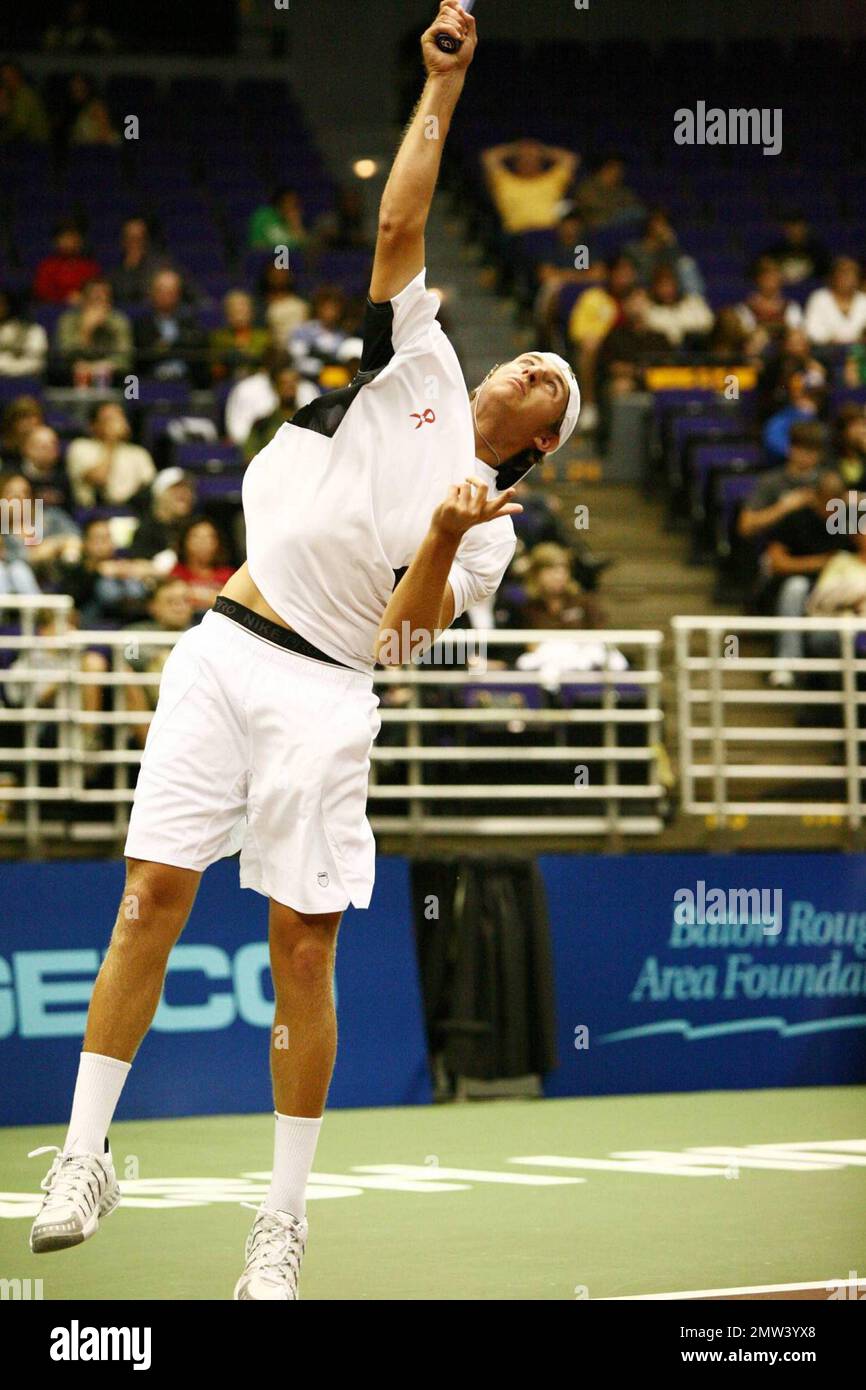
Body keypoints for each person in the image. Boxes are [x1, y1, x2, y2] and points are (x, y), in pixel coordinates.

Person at [27, 3, 582, 1303]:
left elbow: (411, 635)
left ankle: (279, 1225)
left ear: (540, 442)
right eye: (529, 358)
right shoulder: (429, 365)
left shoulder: (493, 525)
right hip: (225, 644)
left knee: (303, 949)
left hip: (329, 695)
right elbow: (398, 227)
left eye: (549, 382)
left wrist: (445, 538)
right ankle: (85, 1152)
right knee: (146, 899)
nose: (529, 367)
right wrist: (440, 89)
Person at [754, 471, 850, 688]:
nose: (833, 509)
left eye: (838, 502)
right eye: (828, 502)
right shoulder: (796, 518)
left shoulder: (851, 519)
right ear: (816, 497)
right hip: (797, 586)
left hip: (838, 587)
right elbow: (777, 562)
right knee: (796, 587)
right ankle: (788, 662)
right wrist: (822, 562)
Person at [738, 421, 826, 545]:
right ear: (790, 448)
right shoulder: (770, 481)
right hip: (778, 549)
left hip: (820, 547)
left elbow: (842, 525)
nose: (806, 455)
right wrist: (784, 507)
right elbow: (745, 527)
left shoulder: (827, 480)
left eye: (812, 450)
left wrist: (820, 504)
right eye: (801, 448)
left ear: (820, 454)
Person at [66, 401, 156, 508]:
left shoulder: (138, 453)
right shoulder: (80, 447)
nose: (117, 423)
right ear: (93, 425)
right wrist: (111, 442)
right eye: (109, 419)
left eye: (120, 417)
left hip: (131, 511)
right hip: (95, 512)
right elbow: (99, 479)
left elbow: (150, 487)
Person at [482, 138, 579, 234]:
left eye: (532, 157)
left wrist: (541, 150)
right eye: (523, 157)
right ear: (516, 161)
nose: (528, 160)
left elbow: (570, 159)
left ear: (541, 161)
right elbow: (489, 157)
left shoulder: (553, 180)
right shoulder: (504, 181)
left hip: (548, 234)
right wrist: (516, 149)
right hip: (516, 235)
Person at [55, 277, 133, 385]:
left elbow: (125, 359)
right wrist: (86, 332)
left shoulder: (118, 320)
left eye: (104, 297)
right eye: (95, 297)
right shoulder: (68, 320)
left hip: (112, 376)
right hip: (72, 375)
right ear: (83, 298)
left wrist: (100, 366)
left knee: (129, 382)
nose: (100, 301)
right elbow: (65, 354)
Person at [134, 270, 205, 386]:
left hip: (187, 382)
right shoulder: (140, 325)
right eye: (161, 290)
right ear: (152, 293)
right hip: (150, 382)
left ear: (178, 294)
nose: (166, 295)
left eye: (171, 291)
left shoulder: (190, 322)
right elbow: (144, 357)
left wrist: (164, 347)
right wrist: (178, 346)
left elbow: (196, 350)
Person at [127, 468, 197, 563]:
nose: (184, 494)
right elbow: (136, 565)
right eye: (175, 489)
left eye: (187, 489)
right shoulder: (146, 531)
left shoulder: (196, 529)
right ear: (160, 495)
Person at [170, 518, 235, 615]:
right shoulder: (176, 572)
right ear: (185, 541)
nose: (203, 542)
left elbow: (234, 605)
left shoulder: (229, 575)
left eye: (209, 537)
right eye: (197, 537)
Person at [643, 264, 714, 348]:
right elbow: (670, 336)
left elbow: (708, 323)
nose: (667, 290)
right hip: (664, 354)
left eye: (669, 285)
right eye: (662, 286)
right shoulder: (649, 309)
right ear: (655, 288)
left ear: (676, 285)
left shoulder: (693, 302)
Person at [32, 220, 100, 305]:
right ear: (56, 242)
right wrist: (64, 298)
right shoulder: (47, 266)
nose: (69, 242)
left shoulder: (90, 267)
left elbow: (97, 291)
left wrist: (83, 297)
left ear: (80, 241)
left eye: (73, 238)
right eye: (65, 238)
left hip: (85, 308)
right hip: (53, 309)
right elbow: (42, 292)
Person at [208, 290, 270, 382]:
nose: (239, 316)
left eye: (242, 310)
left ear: (251, 312)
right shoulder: (219, 337)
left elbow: (268, 367)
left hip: (257, 382)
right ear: (227, 314)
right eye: (235, 311)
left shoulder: (264, 337)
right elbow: (215, 370)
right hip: (227, 382)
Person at [243, 364, 301, 462]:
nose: (289, 388)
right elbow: (250, 457)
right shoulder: (262, 425)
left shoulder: (311, 422)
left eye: (293, 383)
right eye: (284, 383)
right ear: (276, 388)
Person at [573, 152, 644, 231]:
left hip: (619, 229)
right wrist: (615, 210)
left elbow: (635, 206)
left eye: (620, 170)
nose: (619, 173)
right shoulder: (587, 187)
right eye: (615, 169)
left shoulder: (622, 190)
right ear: (605, 168)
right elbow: (590, 210)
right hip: (595, 228)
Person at [804, 258, 866, 347]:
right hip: (827, 350)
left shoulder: (863, 300)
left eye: (852, 274)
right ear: (833, 277)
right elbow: (813, 331)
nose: (848, 278)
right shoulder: (820, 298)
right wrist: (831, 341)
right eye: (843, 274)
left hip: (859, 350)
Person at [762, 213, 830, 286]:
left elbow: (826, 275)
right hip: (783, 291)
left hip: (810, 291)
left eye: (798, 227)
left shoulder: (817, 251)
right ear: (786, 230)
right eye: (791, 228)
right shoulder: (775, 251)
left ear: (805, 229)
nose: (795, 231)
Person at [20, 425, 71, 510]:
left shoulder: (63, 475)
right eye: (43, 446)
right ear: (27, 449)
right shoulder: (15, 476)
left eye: (53, 445)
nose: (50, 450)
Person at [0, 289, 48, 377]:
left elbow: (36, 362)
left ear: (8, 306)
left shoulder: (33, 330)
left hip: (27, 379)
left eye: (1, 304)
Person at [259, 264, 309, 347]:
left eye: (282, 272)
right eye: (275, 273)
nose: (279, 276)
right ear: (268, 276)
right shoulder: (260, 305)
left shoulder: (300, 305)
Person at [0, 61, 50, 143]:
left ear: (17, 74)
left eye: (8, 74)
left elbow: (20, 127)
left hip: (35, 147)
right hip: (25, 145)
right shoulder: (11, 95)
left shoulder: (26, 96)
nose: (4, 78)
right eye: (3, 75)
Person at [247, 186, 309, 252]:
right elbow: (258, 247)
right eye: (289, 201)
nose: (293, 207)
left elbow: (306, 251)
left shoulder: (293, 221)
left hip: (289, 260)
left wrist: (298, 228)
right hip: (266, 260)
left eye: (295, 203)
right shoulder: (264, 216)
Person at [0, 394, 44, 464]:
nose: (31, 422)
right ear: (13, 422)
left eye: (34, 416)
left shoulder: (46, 447)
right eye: (24, 417)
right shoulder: (4, 449)